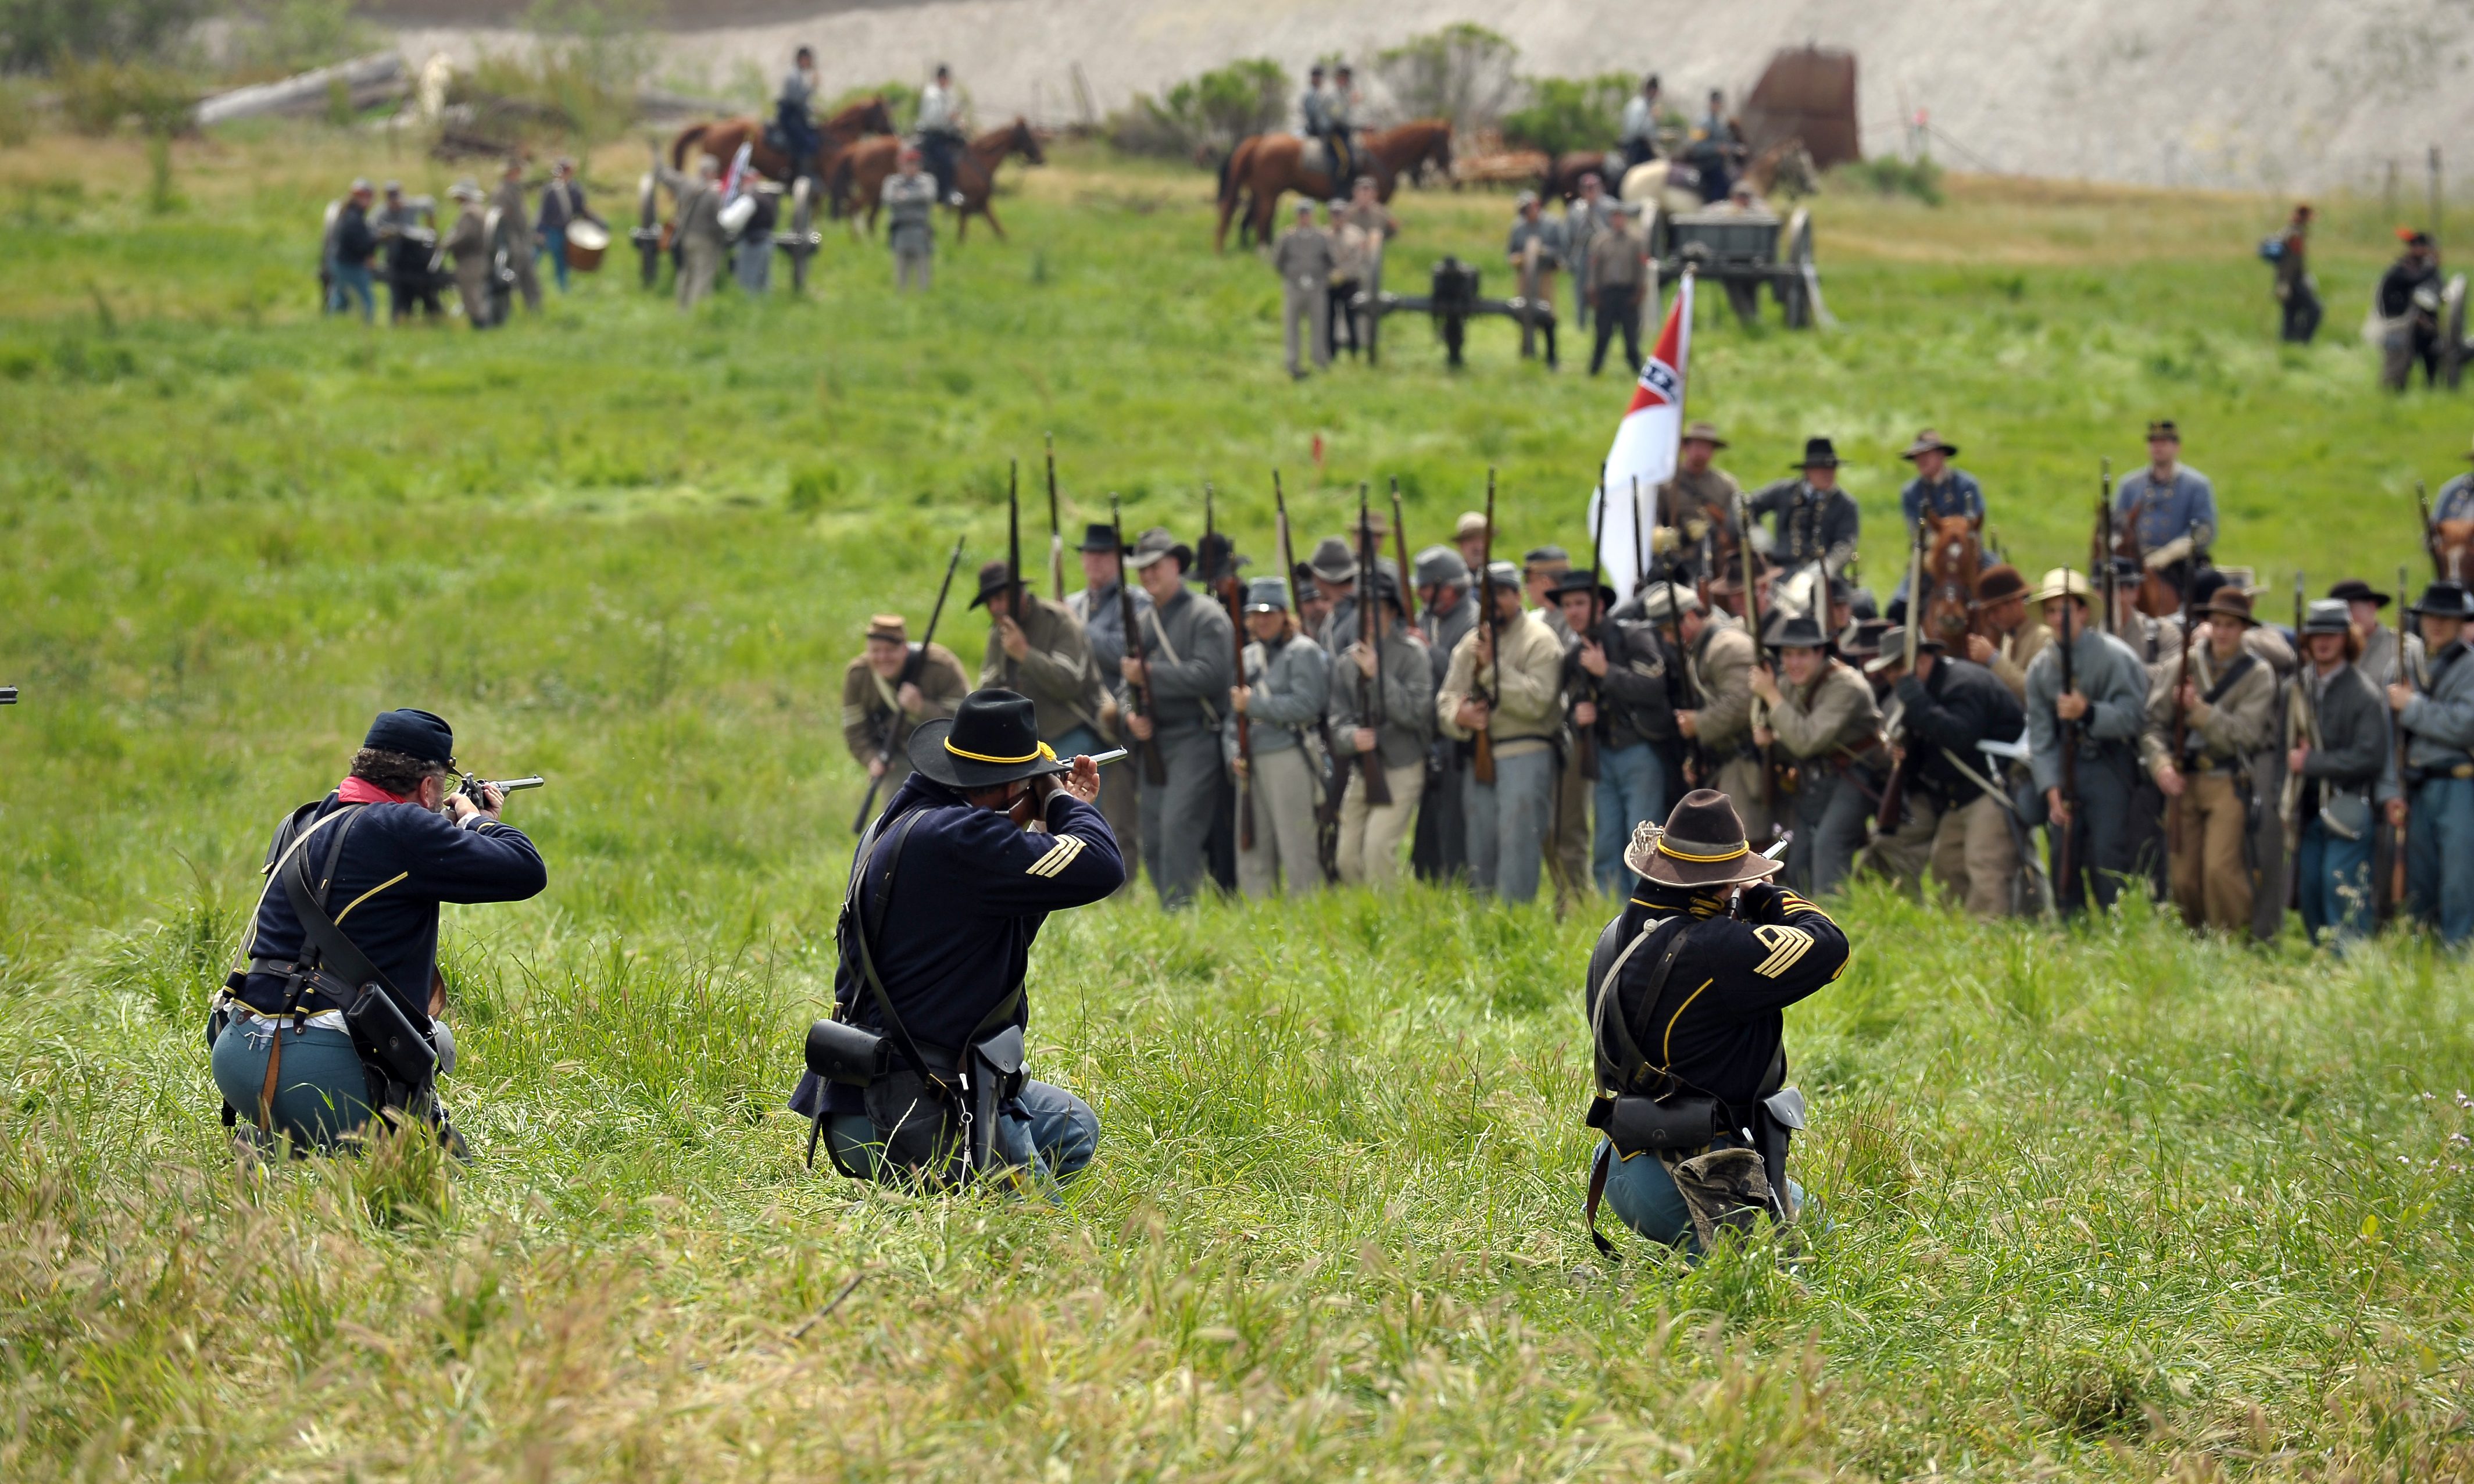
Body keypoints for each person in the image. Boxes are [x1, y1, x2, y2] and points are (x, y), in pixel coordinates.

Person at [789, 689, 1120, 1188]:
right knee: (1037, 1244)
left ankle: (942, 1196)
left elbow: (1000, 928)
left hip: (874, 1085)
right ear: (1007, 784)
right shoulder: (958, 840)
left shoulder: (905, 819)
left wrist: (1035, 808)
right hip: (913, 1100)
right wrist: (1055, 800)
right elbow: (1103, 863)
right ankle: (948, 1193)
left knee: (1074, 1128)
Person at [209, 709, 545, 1153]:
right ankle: (319, 1135)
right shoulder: (405, 828)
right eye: (442, 785)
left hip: (236, 1054)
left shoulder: (301, 821)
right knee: (444, 1175)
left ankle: (279, 1141)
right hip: (318, 1067)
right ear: (428, 786)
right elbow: (526, 868)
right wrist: (473, 820)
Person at [1581, 789, 1844, 1256]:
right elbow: (1830, 945)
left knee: (1813, 1229)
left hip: (1622, 1160)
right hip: (1686, 1178)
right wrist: (1765, 892)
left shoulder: (1619, 931)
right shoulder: (1716, 948)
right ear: (1724, 883)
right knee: (1804, 1258)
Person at [2142, 585, 2278, 933]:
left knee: (2219, 870)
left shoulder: (2258, 675)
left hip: (2226, 781)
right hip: (2183, 780)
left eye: (2231, 625)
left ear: (2244, 629)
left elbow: (2246, 734)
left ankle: (2228, 942)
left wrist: (2199, 711)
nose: (2222, 632)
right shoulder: (2181, 665)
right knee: (2183, 875)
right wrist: (2161, 765)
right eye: (2216, 623)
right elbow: (2152, 725)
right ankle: (2194, 943)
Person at [1869, 624, 2024, 917]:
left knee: (1985, 865)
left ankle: (1991, 938)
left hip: (1992, 786)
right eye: (1890, 670)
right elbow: (1933, 751)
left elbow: (1958, 736)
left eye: (1899, 667)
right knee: (1947, 864)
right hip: (1960, 793)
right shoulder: (1924, 692)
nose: (1893, 677)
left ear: (1925, 659)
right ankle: (1963, 937)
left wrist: (1915, 700)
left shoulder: (1964, 684)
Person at [1120, 528, 1236, 910]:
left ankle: (1181, 913)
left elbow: (1212, 674)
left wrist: (1150, 676)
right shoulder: (1143, 620)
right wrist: (1131, 715)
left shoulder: (1206, 616)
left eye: (1155, 566)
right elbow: (1128, 688)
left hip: (1195, 738)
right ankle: (1170, 909)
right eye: (1142, 569)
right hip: (1156, 740)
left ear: (1175, 565)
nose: (1148, 575)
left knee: (1177, 827)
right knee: (1153, 834)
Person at [2025, 568, 2151, 915]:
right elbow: (2040, 734)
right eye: (2051, 610)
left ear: (2082, 611)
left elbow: (2134, 716)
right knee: (2063, 848)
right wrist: (2051, 788)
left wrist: (2089, 712)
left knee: (2108, 850)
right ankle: (2071, 924)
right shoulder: (2040, 669)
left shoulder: (2116, 657)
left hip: (2108, 764)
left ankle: (2117, 923)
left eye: (2065, 608)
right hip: (2065, 769)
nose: (2058, 617)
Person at [1438, 561, 1564, 903]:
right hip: (1479, 756)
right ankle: (1484, 922)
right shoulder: (1470, 644)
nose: (1495, 603)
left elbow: (1538, 702)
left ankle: (1514, 920)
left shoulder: (1541, 641)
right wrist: (1460, 716)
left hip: (1526, 752)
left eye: (1503, 595)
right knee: (1480, 845)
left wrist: (1494, 669)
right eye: (1487, 596)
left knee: (1518, 842)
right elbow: (1446, 699)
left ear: (1518, 595)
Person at [1557, 568, 1676, 895]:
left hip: (1639, 752)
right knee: (1607, 845)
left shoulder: (1633, 636)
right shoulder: (1572, 655)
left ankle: (1648, 910)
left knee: (1643, 842)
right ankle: (1616, 920)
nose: (1573, 612)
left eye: (1580, 603)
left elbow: (1653, 686)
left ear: (1598, 606)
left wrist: (1606, 671)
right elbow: (1565, 704)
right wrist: (1576, 716)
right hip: (1601, 758)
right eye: (1567, 605)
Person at [1752, 613, 1882, 897]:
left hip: (1860, 776)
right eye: (1787, 655)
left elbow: (1806, 741)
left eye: (1801, 655)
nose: (1793, 663)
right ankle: (1800, 925)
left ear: (1820, 653)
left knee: (1829, 845)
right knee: (1798, 858)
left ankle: (1835, 925)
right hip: (1817, 780)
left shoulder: (1846, 686)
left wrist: (1771, 695)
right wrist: (1769, 737)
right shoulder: (1786, 684)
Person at [2288, 599, 2389, 944]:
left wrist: (2312, 763)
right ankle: (2323, 961)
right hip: (2309, 808)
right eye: (2316, 634)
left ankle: (2350, 966)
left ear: (2347, 638)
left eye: (2332, 634)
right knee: (2312, 888)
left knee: (2341, 886)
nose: (2323, 642)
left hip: (2349, 806)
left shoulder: (2364, 694)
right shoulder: (2298, 688)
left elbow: (2368, 757)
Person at [1327, 560, 1433, 883]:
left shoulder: (1413, 655)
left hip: (1403, 764)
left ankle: (1390, 921)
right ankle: (1366, 921)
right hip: (1364, 769)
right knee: (1347, 858)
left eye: (1378, 608)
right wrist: (1351, 738)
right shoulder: (1347, 662)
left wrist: (1377, 677)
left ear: (1391, 611)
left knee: (1378, 851)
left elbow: (1416, 714)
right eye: (1364, 608)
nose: (1370, 616)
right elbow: (1336, 722)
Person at [1229, 577, 1331, 897]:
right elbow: (1232, 716)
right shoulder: (1247, 657)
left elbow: (1308, 704)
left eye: (1270, 613)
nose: (1262, 620)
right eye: (1256, 614)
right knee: (1254, 848)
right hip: (1252, 759)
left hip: (1288, 755)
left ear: (1285, 614)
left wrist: (1255, 704)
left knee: (1297, 844)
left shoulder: (1303, 652)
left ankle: (1308, 913)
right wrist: (1233, 752)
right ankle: (1260, 918)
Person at [1064, 523, 1149, 886]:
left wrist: (1075, 629)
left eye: (1104, 555)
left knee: (1118, 815)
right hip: (1073, 721)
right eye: (1090, 555)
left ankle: (1121, 889)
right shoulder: (1071, 604)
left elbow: (1126, 650)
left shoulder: (1137, 603)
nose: (1095, 562)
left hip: (1116, 723)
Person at [2391, 580, 2474, 945]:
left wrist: (2411, 707)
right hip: (2419, 783)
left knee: (2459, 876)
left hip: (2458, 783)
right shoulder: (2413, 664)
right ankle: (2421, 948)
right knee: (2419, 878)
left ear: (2460, 623)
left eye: (2445, 618)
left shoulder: (2470, 666)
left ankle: (2459, 950)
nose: (2436, 625)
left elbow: (2464, 725)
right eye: (2429, 618)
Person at [971, 560, 1110, 763]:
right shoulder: (998, 634)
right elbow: (986, 688)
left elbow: (1069, 684)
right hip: (1024, 740)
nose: (995, 608)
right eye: (989, 603)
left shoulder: (1059, 621)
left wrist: (1024, 653)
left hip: (1073, 730)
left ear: (1019, 593)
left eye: (1000, 598)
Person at [1676, 583, 1767, 845]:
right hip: (1724, 761)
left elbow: (1739, 705)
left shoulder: (1726, 646)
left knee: (1744, 843)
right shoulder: (1703, 648)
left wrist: (1698, 724)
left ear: (1692, 616)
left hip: (1744, 761)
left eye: (1671, 629)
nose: (1670, 638)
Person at [842, 613, 971, 791]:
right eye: (875, 651)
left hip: (945, 756)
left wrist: (920, 708)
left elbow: (964, 725)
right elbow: (855, 731)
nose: (883, 657)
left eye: (890, 650)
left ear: (905, 648)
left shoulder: (941, 666)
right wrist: (872, 759)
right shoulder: (858, 675)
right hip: (897, 758)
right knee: (896, 816)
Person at [1411, 545, 1476, 882]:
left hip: (1459, 739)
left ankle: (1458, 880)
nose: (1421, 594)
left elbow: (1462, 678)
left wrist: (1428, 651)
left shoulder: (1471, 620)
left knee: (1455, 819)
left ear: (1447, 588)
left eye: (1425, 587)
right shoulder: (1428, 619)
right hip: (1432, 734)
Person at [2113, 421, 2216, 604]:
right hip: (2135, 561)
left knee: (2208, 582)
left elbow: (2204, 530)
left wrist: (2170, 553)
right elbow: (2117, 526)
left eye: (2164, 442)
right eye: (2153, 442)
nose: (2157, 447)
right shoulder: (2129, 485)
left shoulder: (2197, 485)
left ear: (2177, 447)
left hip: (2177, 565)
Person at [1749, 439, 1862, 579]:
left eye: (1831, 468)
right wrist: (1758, 536)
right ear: (1808, 470)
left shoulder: (1846, 505)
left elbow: (1846, 544)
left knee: (1862, 600)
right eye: (1821, 468)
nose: (1828, 473)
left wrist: (1827, 566)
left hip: (1825, 577)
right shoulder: (1784, 492)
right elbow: (1745, 507)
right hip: (1782, 572)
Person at [1653, 422, 1743, 585]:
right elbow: (1654, 519)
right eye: (1697, 446)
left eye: (1707, 447)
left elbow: (1735, 524)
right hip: (1676, 555)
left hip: (1715, 556)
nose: (1701, 452)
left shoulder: (1726, 485)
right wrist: (1667, 535)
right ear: (1685, 447)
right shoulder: (1666, 483)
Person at [653, 151, 727, 309]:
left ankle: (682, 310)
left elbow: (662, 174)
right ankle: (698, 311)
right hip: (705, 241)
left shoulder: (684, 184)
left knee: (686, 273)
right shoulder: (714, 195)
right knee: (703, 275)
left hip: (684, 237)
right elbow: (718, 222)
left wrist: (657, 154)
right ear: (712, 173)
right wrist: (723, 239)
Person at [1273, 201, 1335, 380]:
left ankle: (1319, 359)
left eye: (1307, 214)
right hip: (1294, 286)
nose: (1305, 218)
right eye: (1301, 214)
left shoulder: (1322, 237)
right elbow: (1278, 261)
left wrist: (1321, 279)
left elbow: (1330, 261)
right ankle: (1292, 362)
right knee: (1292, 325)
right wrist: (1291, 276)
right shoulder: (1287, 237)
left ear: (1312, 216)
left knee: (1319, 324)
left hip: (1316, 287)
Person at [1586, 201, 1648, 376]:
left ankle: (1637, 368)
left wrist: (1641, 290)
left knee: (1631, 335)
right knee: (1603, 333)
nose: (1618, 221)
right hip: (1607, 293)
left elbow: (1641, 267)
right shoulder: (1601, 241)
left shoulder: (1636, 241)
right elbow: (1594, 267)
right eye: (1615, 218)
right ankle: (1595, 369)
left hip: (1628, 292)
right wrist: (1592, 290)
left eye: (1621, 217)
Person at [2377, 230, 2443, 392]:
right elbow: (2414, 280)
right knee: (2397, 359)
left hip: (2420, 322)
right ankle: (2393, 389)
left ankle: (2430, 384)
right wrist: (2433, 266)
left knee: (2430, 352)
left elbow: (2438, 292)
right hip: (2399, 320)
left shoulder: (2426, 269)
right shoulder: (2402, 268)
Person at [1507, 191, 1565, 362]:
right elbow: (1510, 252)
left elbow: (1561, 250)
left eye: (1528, 209)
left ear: (1536, 206)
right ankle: (1526, 351)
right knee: (1523, 311)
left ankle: (1551, 355)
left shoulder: (1552, 224)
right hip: (1524, 276)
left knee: (1547, 313)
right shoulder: (1517, 227)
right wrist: (1517, 259)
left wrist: (1544, 252)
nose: (1526, 213)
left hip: (1544, 275)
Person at [374, 183, 442, 324]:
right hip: (396, 259)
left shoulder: (410, 205)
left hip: (417, 256)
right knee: (399, 296)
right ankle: (399, 320)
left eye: (397, 197)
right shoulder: (381, 212)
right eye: (391, 198)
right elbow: (372, 231)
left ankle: (434, 317)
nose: (395, 202)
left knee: (426, 291)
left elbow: (429, 203)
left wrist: (432, 227)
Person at [883, 144, 938, 293]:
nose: (910, 168)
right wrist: (912, 197)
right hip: (901, 229)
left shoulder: (927, 180)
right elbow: (888, 199)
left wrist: (904, 196)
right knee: (900, 271)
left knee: (923, 271)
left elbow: (928, 196)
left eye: (913, 165)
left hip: (920, 229)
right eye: (907, 165)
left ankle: (924, 299)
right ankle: (901, 298)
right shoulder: (893, 181)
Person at [1565, 173, 1617, 332]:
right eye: (1587, 189)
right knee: (1581, 291)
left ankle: (1605, 324)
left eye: (1593, 188)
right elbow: (1569, 236)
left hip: (1604, 257)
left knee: (1605, 292)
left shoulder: (1611, 206)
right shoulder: (1576, 209)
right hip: (1583, 255)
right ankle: (1581, 325)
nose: (1591, 192)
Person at [491, 158, 542, 315]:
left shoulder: (515, 190)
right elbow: (503, 219)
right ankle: (504, 311)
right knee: (511, 276)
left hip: (521, 238)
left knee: (528, 276)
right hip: (510, 238)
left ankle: (534, 309)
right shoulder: (502, 192)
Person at [444, 180, 495, 328]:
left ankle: (481, 325)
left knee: (471, 294)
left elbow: (464, 235)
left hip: (469, 260)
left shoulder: (469, 212)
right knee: (478, 292)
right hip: (481, 257)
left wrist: (446, 245)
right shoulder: (480, 211)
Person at [916, 64, 967, 203]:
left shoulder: (949, 93)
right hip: (933, 135)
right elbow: (933, 119)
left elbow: (955, 114)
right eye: (945, 79)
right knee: (946, 160)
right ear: (941, 79)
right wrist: (950, 118)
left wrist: (960, 123)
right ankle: (945, 193)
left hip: (947, 134)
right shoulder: (932, 94)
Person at [2271, 203, 2320, 345]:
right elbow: (2291, 262)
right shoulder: (2295, 235)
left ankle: (2288, 344)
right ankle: (2303, 341)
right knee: (2315, 309)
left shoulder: (2287, 231)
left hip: (2287, 281)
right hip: (2293, 282)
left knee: (2290, 313)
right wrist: (2285, 283)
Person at [329, 179, 378, 323]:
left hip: (340, 262)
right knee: (366, 301)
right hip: (350, 264)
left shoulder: (349, 214)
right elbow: (361, 245)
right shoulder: (353, 218)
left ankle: (333, 327)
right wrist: (377, 241)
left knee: (340, 298)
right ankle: (366, 329)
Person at [536, 158, 587, 295]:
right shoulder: (550, 190)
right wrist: (540, 231)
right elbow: (543, 212)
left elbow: (580, 210)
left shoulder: (576, 190)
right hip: (550, 229)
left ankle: (563, 289)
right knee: (536, 257)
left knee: (562, 262)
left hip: (566, 230)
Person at [1689, 90, 1742, 202]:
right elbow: (1697, 146)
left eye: (1719, 103)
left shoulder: (1720, 123)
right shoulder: (1703, 123)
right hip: (1707, 165)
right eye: (1715, 103)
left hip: (1719, 164)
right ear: (1710, 103)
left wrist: (1735, 149)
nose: (1717, 106)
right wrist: (1716, 149)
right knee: (1721, 188)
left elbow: (1724, 142)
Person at [777, 46, 821, 179]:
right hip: (790, 117)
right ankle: (803, 174)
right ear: (802, 59)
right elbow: (796, 100)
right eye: (808, 59)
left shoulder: (798, 75)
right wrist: (812, 88)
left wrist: (812, 109)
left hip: (795, 115)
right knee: (806, 142)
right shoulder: (793, 76)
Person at [734, 173, 778, 294]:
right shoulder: (767, 198)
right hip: (766, 241)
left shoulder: (750, 199)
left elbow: (730, 221)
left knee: (748, 282)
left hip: (752, 243)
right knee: (764, 281)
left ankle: (749, 308)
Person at [1619, 73, 1662, 170]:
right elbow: (1636, 130)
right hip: (1637, 148)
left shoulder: (1647, 106)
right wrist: (1653, 119)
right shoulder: (1639, 106)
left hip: (1643, 146)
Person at [1453, 510, 1492, 578]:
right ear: (1461, 545)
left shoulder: (1502, 571)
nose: (1479, 546)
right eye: (1472, 540)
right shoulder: (1453, 576)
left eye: (1483, 539)